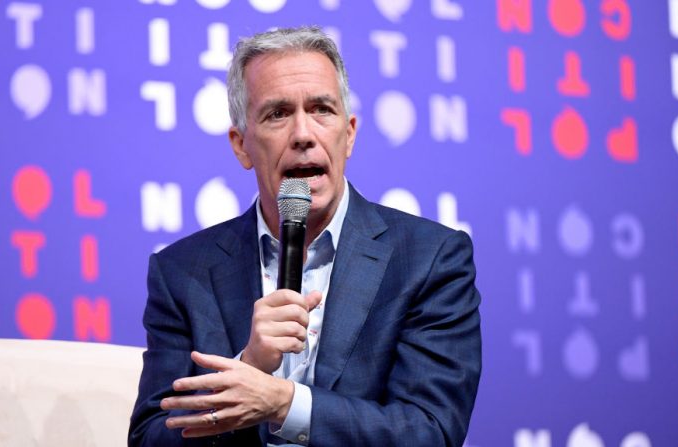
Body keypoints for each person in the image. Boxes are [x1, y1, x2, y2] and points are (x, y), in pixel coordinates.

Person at [128, 26, 481, 447]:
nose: (303, 134)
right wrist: (249, 365)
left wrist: (284, 403)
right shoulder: (182, 272)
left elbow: (430, 433)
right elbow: (151, 439)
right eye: (277, 114)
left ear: (348, 134)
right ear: (241, 146)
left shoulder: (429, 259)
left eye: (321, 110)